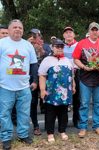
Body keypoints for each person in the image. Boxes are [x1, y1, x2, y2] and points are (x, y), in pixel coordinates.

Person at [0, 19, 37, 150]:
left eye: (20, 28)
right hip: (4, 86)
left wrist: (35, 81)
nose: (17, 29)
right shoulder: (1, 43)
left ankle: (22, 135)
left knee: (24, 113)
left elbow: (33, 64)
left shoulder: (28, 45)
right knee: (4, 113)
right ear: (9, 30)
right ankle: (6, 138)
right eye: (14, 27)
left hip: (24, 87)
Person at [73, 22, 99, 138]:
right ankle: (83, 127)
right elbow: (75, 59)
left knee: (98, 103)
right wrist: (84, 67)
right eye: (92, 30)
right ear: (89, 31)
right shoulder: (81, 43)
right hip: (85, 78)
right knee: (84, 104)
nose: (95, 32)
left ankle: (97, 126)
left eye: (96, 30)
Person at [38, 38, 76, 143]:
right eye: (57, 46)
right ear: (52, 47)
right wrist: (42, 90)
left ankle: (62, 131)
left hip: (65, 93)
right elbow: (42, 75)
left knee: (63, 113)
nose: (59, 48)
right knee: (50, 113)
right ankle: (50, 133)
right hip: (51, 93)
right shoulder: (47, 60)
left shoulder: (67, 60)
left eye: (61, 46)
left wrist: (73, 85)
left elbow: (71, 75)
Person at [62, 26, 80, 128]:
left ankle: (76, 120)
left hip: (77, 73)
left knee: (77, 98)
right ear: (63, 35)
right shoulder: (60, 45)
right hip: (64, 74)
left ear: (73, 34)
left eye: (70, 32)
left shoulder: (78, 45)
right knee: (64, 97)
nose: (68, 34)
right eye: (66, 33)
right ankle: (63, 121)